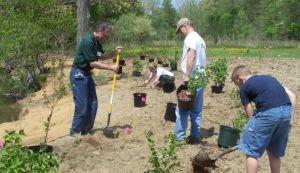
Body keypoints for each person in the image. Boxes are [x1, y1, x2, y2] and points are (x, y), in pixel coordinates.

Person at [231, 65, 296, 173]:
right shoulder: (271, 78)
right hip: (286, 112)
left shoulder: (244, 88)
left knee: (251, 151)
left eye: (237, 84)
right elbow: (292, 96)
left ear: (240, 78)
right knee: (274, 152)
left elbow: (249, 112)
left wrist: (250, 129)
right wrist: (291, 120)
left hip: (268, 113)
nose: (239, 87)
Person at [69, 23, 122, 138]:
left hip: (87, 74)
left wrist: (113, 53)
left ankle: (86, 130)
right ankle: (74, 132)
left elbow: (100, 57)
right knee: (82, 104)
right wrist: (111, 67)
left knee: (93, 103)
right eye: (105, 36)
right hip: (78, 73)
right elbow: (92, 63)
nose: (106, 38)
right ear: (99, 31)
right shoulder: (88, 41)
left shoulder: (98, 43)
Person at [174, 18, 207, 143]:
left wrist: (187, 76)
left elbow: (191, 56)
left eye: (180, 30)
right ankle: (195, 136)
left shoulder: (191, 38)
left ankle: (179, 138)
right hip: (201, 77)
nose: (181, 33)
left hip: (193, 78)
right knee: (196, 109)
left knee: (182, 109)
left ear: (185, 26)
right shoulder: (200, 38)